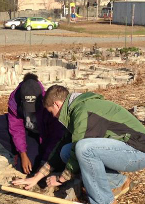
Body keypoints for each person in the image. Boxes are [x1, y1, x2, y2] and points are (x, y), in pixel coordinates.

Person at [13, 85, 145, 204]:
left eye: (50, 111)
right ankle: (117, 182)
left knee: (84, 149)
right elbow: (62, 146)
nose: (53, 116)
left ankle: (103, 201)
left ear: (57, 104)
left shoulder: (85, 110)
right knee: (66, 151)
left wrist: (60, 179)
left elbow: (82, 150)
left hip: (137, 151)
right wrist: (36, 177)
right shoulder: (76, 110)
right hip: (124, 150)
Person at [0, 73, 66, 174]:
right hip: (26, 131)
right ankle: (19, 152)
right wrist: (22, 153)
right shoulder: (15, 101)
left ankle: (36, 154)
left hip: (42, 136)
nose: (31, 111)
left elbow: (55, 137)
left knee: (26, 167)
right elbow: (16, 128)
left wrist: (44, 162)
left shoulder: (48, 104)